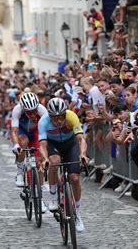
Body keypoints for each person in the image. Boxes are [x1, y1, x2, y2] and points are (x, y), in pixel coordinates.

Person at [38, 97, 89, 232]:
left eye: (61, 117)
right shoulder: (43, 121)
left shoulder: (72, 117)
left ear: (65, 113)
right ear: (50, 116)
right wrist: (45, 159)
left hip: (70, 144)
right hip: (53, 145)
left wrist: (83, 154)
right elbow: (42, 145)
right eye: (55, 118)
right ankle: (54, 198)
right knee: (54, 162)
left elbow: (81, 139)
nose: (59, 121)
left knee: (75, 178)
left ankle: (77, 214)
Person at [10, 92, 48, 212]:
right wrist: (16, 145)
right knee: (22, 144)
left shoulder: (42, 110)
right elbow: (14, 132)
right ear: (23, 109)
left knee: (39, 163)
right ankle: (20, 172)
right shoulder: (17, 110)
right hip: (23, 132)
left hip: (37, 132)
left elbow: (47, 131)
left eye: (34, 111)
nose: (32, 115)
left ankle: (40, 198)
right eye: (29, 112)